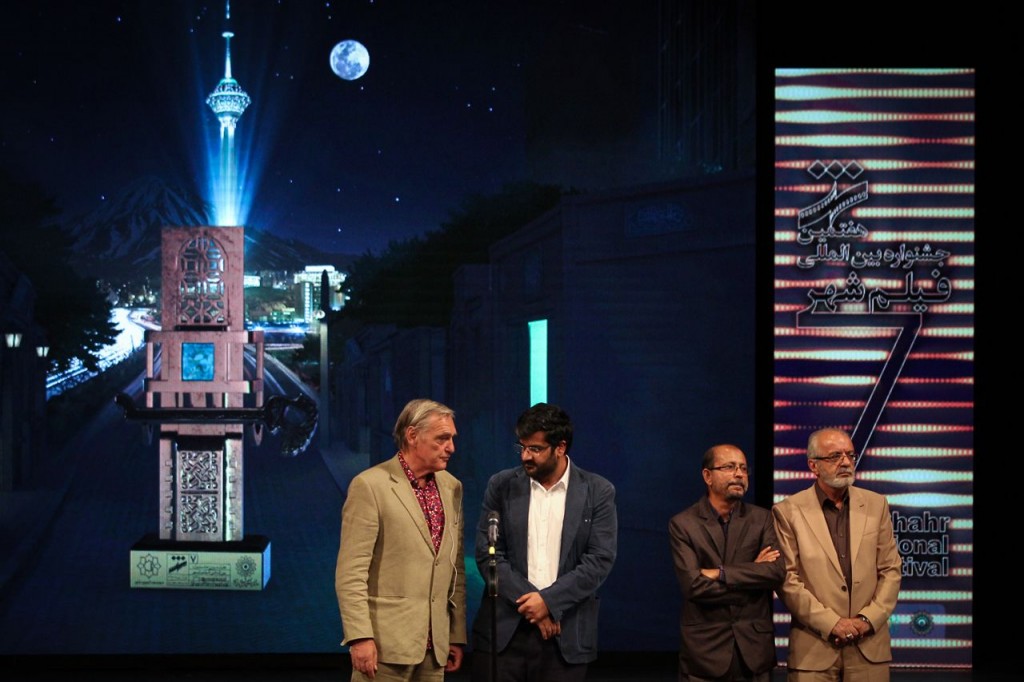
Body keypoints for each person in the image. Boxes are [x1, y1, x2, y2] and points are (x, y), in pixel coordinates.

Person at [470, 402, 617, 681]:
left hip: (564, 635)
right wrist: (535, 606)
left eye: (535, 449)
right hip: (504, 636)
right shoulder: (501, 485)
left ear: (560, 447)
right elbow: (488, 554)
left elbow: (599, 560)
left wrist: (549, 602)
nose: (525, 456)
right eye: (522, 447)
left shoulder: (597, 491)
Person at [335, 398, 467, 681]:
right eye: (442, 438)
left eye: (452, 439)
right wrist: (359, 636)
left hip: (435, 648)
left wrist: (455, 634)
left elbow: (454, 568)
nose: (451, 448)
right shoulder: (370, 485)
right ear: (412, 435)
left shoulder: (452, 486)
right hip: (385, 646)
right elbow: (351, 573)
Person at [771, 428, 902, 681]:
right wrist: (832, 623)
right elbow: (787, 579)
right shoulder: (787, 511)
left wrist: (867, 619)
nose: (845, 462)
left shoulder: (876, 505)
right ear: (813, 465)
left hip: (868, 646)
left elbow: (890, 569)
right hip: (813, 650)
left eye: (850, 455)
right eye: (834, 456)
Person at [668, 444, 785, 682]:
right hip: (705, 652)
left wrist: (719, 573)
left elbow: (775, 572)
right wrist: (753, 575)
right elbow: (693, 586)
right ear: (707, 476)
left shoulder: (763, 519)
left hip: (754, 651)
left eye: (743, 468)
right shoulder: (683, 524)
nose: (739, 474)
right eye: (729, 467)